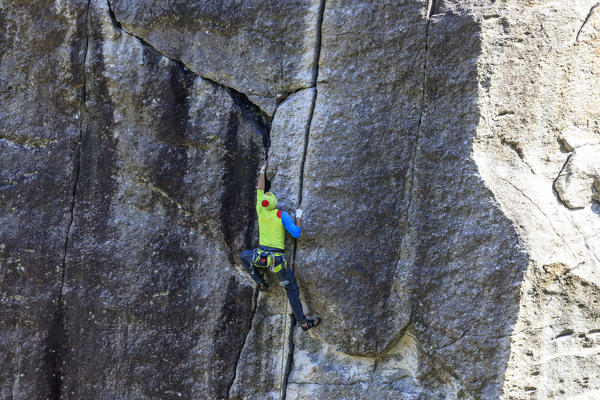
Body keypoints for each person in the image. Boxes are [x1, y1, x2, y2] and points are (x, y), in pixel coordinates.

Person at [240, 160, 321, 331]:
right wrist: (298, 216)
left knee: (244, 256)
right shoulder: (281, 215)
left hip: (260, 257)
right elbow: (296, 234)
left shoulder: (261, 210)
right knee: (291, 290)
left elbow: (259, 189)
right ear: (274, 202)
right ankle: (303, 322)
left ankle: (260, 282)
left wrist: (262, 170)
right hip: (277, 262)